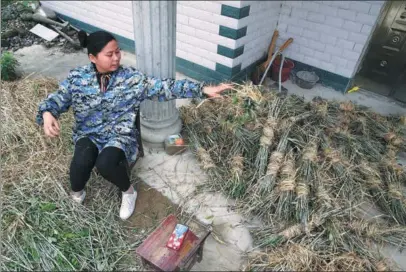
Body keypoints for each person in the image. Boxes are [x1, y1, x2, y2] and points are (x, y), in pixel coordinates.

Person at [36, 30, 231, 220]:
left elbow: (164, 87)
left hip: (119, 135)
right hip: (88, 133)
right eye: (109, 54)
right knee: (80, 165)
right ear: (93, 58)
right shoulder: (77, 78)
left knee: (106, 164)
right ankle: (77, 194)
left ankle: (128, 192)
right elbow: (57, 99)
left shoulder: (131, 79)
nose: (116, 58)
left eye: (118, 52)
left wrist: (202, 89)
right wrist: (47, 114)